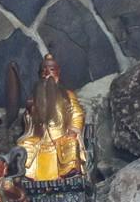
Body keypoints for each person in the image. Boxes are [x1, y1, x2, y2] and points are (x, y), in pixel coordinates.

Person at [16, 54, 87, 182]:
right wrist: (30, 111)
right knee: (23, 145)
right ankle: (28, 176)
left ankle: (68, 173)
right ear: (39, 74)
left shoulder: (67, 95)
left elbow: (77, 113)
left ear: (58, 72)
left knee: (71, 142)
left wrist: (74, 128)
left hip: (60, 136)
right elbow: (29, 122)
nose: (47, 73)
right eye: (43, 70)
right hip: (39, 138)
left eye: (51, 69)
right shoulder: (34, 98)